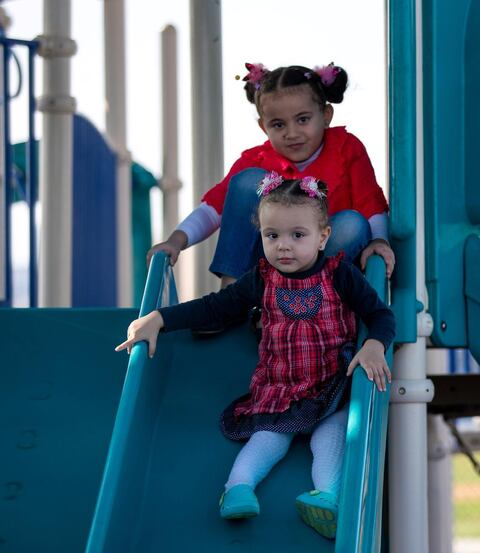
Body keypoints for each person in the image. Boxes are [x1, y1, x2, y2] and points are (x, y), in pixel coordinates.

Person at [117, 176, 395, 539]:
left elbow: (381, 314)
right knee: (267, 438)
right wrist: (162, 318)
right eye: (272, 235)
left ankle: (326, 496)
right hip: (281, 388)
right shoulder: (261, 279)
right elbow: (217, 307)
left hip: (331, 384)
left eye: (298, 235)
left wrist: (374, 343)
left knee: (332, 432)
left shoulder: (339, 274)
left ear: (323, 237)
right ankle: (237, 489)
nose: (283, 246)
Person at [148, 62, 395, 286]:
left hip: (317, 273)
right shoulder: (256, 160)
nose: (291, 132)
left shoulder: (346, 148)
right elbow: (214, 208)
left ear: (326, 116)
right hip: (265, 271)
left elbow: (370, 203)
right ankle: (233, 292)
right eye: (278, 124)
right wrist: (176, 241)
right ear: (263, 127)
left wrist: (380, 241)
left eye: (303, 120)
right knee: (247, 181)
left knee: (353, 224)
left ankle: (303, 300)